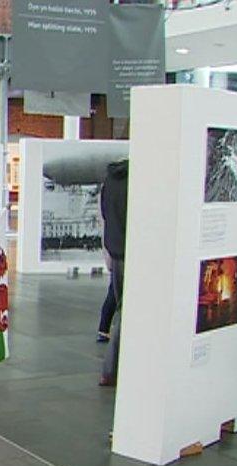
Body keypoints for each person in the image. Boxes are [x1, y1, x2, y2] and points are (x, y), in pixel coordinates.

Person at [100, 159, 129, 386]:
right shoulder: (134, 182)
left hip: (115, 250)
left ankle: (111, 370)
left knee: (121, 308)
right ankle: (111, 370)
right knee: (126, 312)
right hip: (130, 253)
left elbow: (105, 216)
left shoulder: (110, 181)